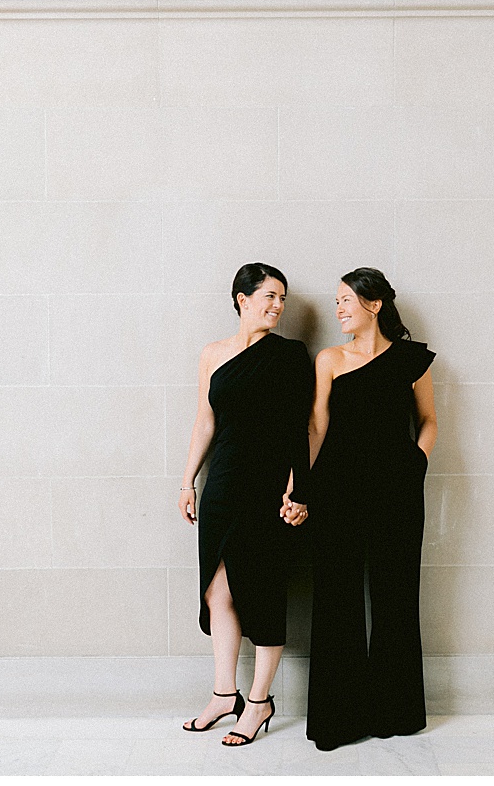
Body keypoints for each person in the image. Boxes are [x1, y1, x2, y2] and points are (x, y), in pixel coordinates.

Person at [286, 267, 437, 752]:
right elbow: (314, 429)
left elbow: (430, 421)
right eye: (336, 302)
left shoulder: (413, 360)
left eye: (346, 300)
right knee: (337, 600)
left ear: (374, 305)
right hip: (337, 493)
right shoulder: (329, 359)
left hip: (396, 493)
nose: (338, 310)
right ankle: (339, 719)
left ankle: (396, 712)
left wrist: (415, 464)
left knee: (395, 598)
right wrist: (299, 490)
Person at [178, 263, 314, 747]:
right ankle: (223, 694)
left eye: (283, 299)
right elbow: (204, 422)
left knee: (262, 589)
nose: (278, 306)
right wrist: (188, 480)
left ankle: (259, 702)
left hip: (269, 485)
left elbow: (303, 428)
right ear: (242, 298)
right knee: (218, 592)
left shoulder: (292, 355)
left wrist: (298, 491)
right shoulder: (213, 354)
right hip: (224, 482)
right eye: (269, 297)